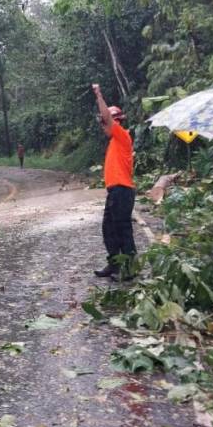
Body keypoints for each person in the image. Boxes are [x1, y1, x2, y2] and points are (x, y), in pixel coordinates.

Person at [91, 84, 136, 280]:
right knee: (109, 227)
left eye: (105, 124)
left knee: (121, 228)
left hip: (122, 190)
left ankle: (128, 267)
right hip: (116, 191)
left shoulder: (122, 135)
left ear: (115, 122)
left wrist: (99, 95)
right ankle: (115, 264)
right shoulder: (114, 142)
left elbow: (107, 117)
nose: (103, 127)